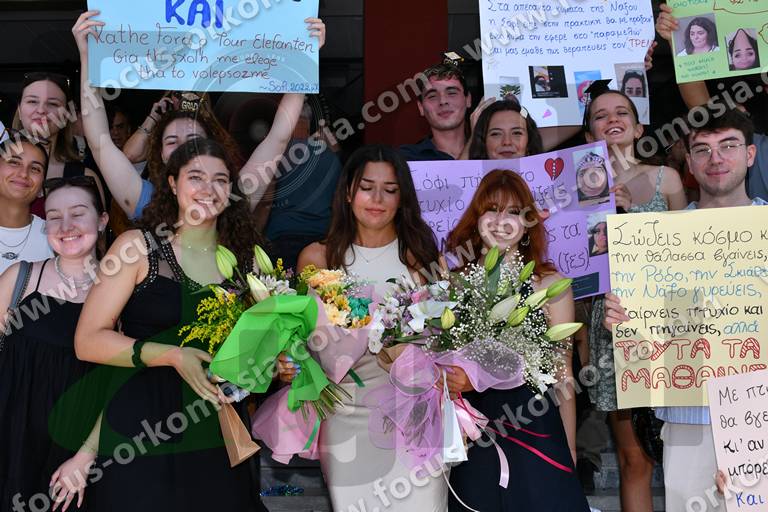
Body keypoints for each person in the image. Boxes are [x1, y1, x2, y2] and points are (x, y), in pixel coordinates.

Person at [74, 138, 266, 511]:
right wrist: (174, 355)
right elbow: (87, 341)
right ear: (173, 183)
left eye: (220, 180)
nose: (208, 189)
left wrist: (278, 364)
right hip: (138, 423)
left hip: (216, 427)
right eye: (196, 177)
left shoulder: (249, 263)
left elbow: (256, 357)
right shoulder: (136, 248)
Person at [604, 107, 761, 512]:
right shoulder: (657, 240)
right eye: (703, 149)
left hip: (760, 410)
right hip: (688, 411)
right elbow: (649, 332)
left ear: (750, 154)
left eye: (728, 146)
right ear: (688, 162)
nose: (715, 158)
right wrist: (624, 321)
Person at [286, 144, 447, 511]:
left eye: (389, 189)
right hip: (346, 416)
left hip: (415, 416)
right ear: (347, 193)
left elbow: (447, 339)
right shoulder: (319, 257)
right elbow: (304, 340)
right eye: (366, 187)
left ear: (402, 198)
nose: (377, 199)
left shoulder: (422, 258)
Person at [73, 10, 325, 221]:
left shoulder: (231, 197)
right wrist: (87, 57)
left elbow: (278, 138)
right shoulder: (143, 200)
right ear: (159, 153)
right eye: (172, 141)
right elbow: (100, 142)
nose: (183, 147)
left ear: (212, 147)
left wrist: (303, 58)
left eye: (193, 139)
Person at [443, 170, 588, 511]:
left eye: (513, 212)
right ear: (477, 217)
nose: (501, 221)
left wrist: (569, 445)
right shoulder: (453, 283)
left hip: (535, 422)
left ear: (527, 223)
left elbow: (563, 370)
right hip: (475, 426)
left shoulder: (549, 284)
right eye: (491, 209)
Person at [583, 85, 686, 512]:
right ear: (589, 135)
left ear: (639, 127)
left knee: (681, 453)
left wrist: (633, 218)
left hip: (670, 329)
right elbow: (574, 267)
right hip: (612, 329)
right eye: (601, 115)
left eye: (621, 112)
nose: (612, 119)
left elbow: (690, 255)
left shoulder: (668, 179)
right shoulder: (575, 191)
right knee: (634, 459)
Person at [0, 175, 108, 511]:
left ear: (102, 220)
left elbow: (123, 389)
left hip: (74, 458)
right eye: (54, 216)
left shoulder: (121, 296)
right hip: (10, 443)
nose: (65, 226)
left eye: (78, 213)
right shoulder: (19, 279)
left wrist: (86, 457)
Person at [12, 72, 106, 218]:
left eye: (53, 104)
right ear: (19, 108)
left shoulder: (84, 178)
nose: (41, 110)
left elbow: (98, 232)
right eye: (32, 101)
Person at [264, 99, 343, 270]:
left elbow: (266, 202)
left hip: (281, 237)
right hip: (320, 240)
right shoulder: (331, 157)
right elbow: (339, 202)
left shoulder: (275, 155)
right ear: (308, 123)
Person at [0, 133, 52, 274]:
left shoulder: (55, 236)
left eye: (35, 168)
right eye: (14, 162)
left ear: (42, 188)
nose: (24, 174)